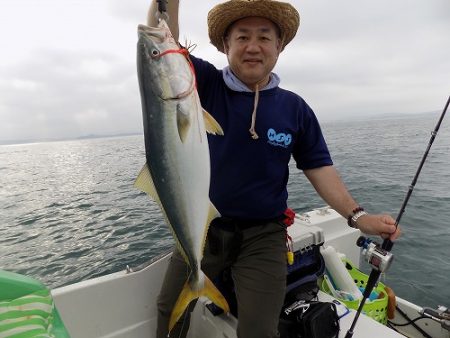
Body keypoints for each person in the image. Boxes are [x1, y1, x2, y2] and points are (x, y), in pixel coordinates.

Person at [147, 1, 402, 337]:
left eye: (265, 37)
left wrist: (358, 218)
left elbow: (319, 167)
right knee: (169, 309)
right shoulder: (201, 85)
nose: (253, 47)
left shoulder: (294, 108)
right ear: (226, 45)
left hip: (263, 237)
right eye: (242, 37)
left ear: (280, 46)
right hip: (202, 229)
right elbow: (159, 47)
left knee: (259, 330)